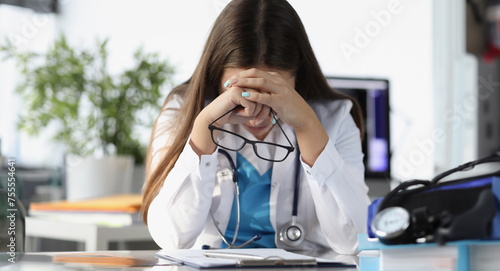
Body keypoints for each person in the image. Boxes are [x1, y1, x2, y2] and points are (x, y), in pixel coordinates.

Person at [142, 0, 370, 254]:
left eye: (272, 92)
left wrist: (307, 126)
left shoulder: (334, 118)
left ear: (297, 77)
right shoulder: (181, 112)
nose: (254, 111)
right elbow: (172, 238)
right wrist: (203, 133)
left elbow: (353, 240)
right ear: (215, 75)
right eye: (241, 93)